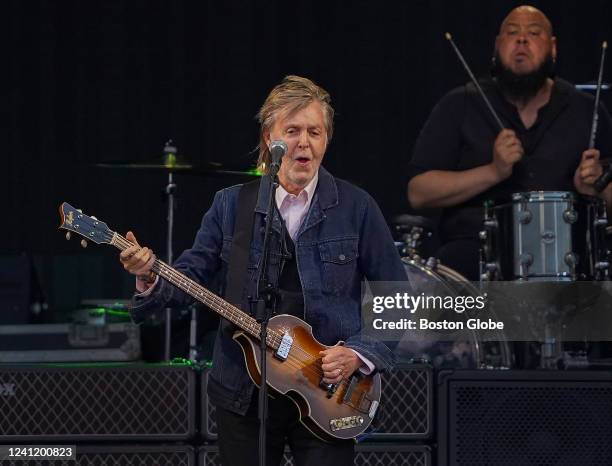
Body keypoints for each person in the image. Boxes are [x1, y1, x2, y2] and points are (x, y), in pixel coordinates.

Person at [119, 75, 406, 466]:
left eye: (315, 132)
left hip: (328, 392)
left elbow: (398, 300)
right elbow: (192, 276)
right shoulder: (230, 206)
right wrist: (150, 276)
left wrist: (359, 355)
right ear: (269, 138)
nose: (304, 142)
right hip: (243, 390)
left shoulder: (356, 208)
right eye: (292, 131)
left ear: (326, 140)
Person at [407, 5, 612, 280]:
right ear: (497, 46)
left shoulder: (587, 110)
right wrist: (492, 172)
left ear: (552, 48)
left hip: (568, 264)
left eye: (534, 33)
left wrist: (598, 188)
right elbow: (418, 193)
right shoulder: (461, 104)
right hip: (472, 260)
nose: (522, 40)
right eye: (512, 32)